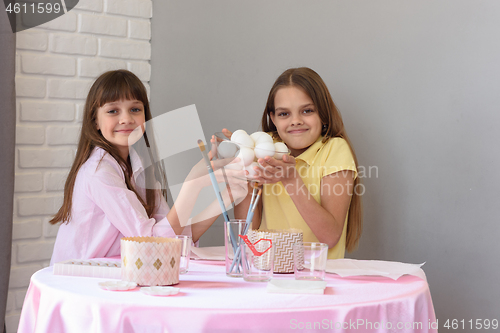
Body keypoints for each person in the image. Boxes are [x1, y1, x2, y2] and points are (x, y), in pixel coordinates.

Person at [50, 70, 246, 265]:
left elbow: (172, 235)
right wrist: (192, 184)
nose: (126, 118)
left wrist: (227, 195)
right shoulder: (99, 173)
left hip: (118, 275)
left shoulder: (138, 165)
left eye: (135, 109)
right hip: (82, 282)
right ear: (95, 121)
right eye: (113, 111)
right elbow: (152, 242)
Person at [226, 67, 362, 259]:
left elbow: (329, 237)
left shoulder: (334, 150)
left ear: (322, 113)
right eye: (284, 114)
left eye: (307, 111)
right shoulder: (265, 149)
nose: (296, 121)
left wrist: (291, 180)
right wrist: (245, 170)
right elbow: (248, 230)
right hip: (267, 269)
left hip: (317, 274)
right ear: (272, 118)